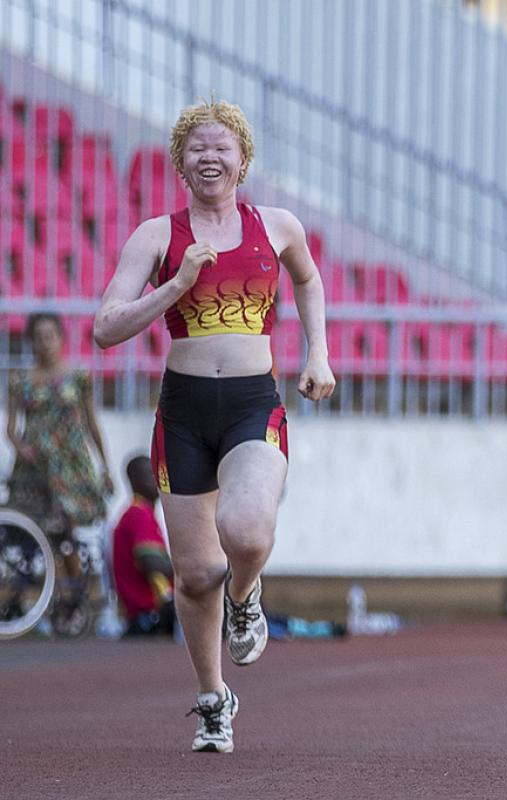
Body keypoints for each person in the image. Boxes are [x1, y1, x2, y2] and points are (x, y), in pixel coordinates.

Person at [93, 99, 335, 753]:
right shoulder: (155, 236)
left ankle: (248, 597)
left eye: (221, 146)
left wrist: (318, 351)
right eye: (196, 147)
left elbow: (308, 281)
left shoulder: (276, 226)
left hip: (256, 402)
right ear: (180, 162)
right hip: (184, 413)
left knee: (247, 528)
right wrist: (176, 285)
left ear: (244, 160)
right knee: (196, 573)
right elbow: (105, 327)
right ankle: (212, 700)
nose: (209, 155)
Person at [6, 312, 113, 624]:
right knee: (42, 528)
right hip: (35, 464)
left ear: (61, 338)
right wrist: (19, 446)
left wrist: (104, 465)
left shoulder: (78, 377)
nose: (45, 343)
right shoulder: (19, 380)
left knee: (66, 525)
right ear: (30, 342)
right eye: (38, 338)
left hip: (72, 464)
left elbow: (91, 422)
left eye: (50, 336)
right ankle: (54, 597)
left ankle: (75, 596)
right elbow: (11, 428)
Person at [111, 455, 175, 636]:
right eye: (150, 474)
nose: (156, 479)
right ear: (134, 479)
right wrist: (191, 570)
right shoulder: (138, 514)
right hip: (147, 614)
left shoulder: (141, 513)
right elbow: (151, 564)